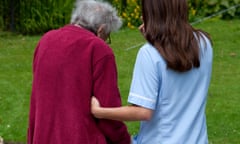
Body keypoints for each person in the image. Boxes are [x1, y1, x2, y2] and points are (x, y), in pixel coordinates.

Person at [91, 0, 213, 143]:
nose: (142, 17)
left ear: (154, 14)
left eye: (145, 12)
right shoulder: (204, 43)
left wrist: (99, 111)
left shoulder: (149, 54)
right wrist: (154, 41)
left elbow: (143, 112)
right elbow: (175, 60)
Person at [27, 0, 131, 144]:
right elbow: (109, 111)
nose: (106, 41)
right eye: (108, 36)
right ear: (101, 29)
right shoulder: (98, 49)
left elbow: (36, 100)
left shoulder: (45, 41)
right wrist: (124, 140)